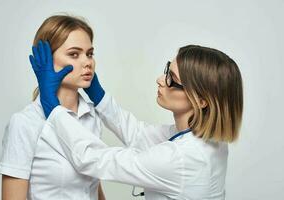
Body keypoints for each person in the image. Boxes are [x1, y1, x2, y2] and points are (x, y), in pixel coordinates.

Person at [31, 43, 243, 200]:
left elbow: (92, 158)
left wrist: (54, 109)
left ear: (202, 100)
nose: (161, 79)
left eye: (172, 79)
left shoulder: (180, 158)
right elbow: (138, 133)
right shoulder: (209, 141)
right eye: (167, 69)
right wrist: (98, 95)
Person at [0, 15, 106, 200]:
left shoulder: (92, 116)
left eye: (89, 53)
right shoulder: (25, 123)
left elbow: (92, 187)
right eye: (74, 54)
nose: (87, 62)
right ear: (46, 59)